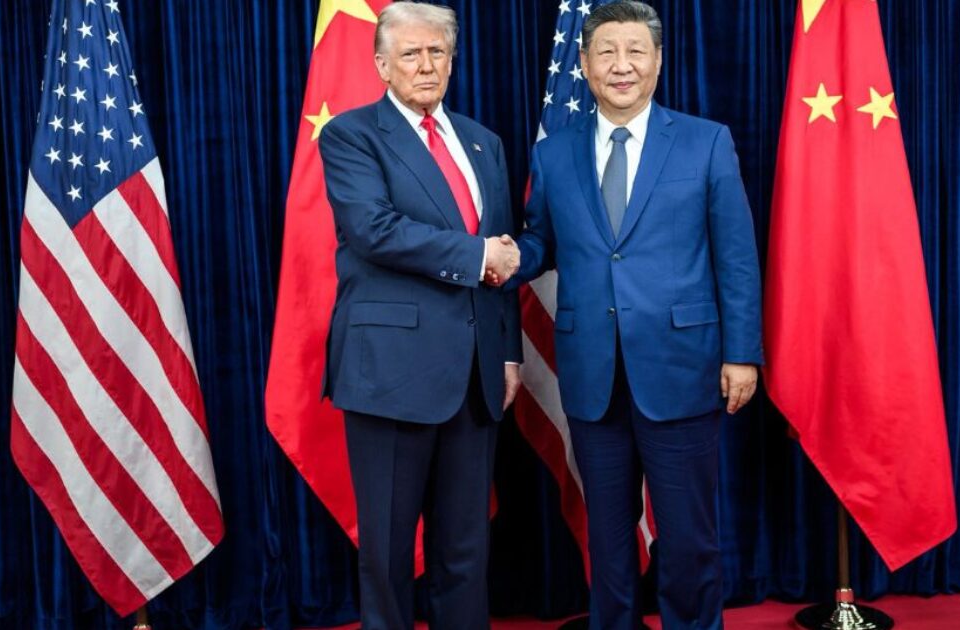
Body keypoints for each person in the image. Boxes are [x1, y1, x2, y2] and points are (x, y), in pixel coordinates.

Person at [509, 2, 762, 628]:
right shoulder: (555, 153)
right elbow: (542, 242)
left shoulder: (706, 141)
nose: (621, 66)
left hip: (683, 367)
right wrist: (504, 256)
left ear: (656, 61)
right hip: (592, 371)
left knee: (689, 536)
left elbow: (735, 258)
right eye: (606, 53)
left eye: (635, 51)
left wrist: (742, 354)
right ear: (586, 65)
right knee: (609, 537)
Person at [315, 2, 522, 628]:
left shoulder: (485, 142)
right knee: (387, 549)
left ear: (453, 61)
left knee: (466, 547)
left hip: (477, 371)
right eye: (410, 53)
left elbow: (503, 258)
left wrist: (508, 349)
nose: (426, 64)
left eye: (438, 52)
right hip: (391, 373)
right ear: (382, 64)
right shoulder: (350, 135)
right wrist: (478, 252)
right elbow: (373, 230)